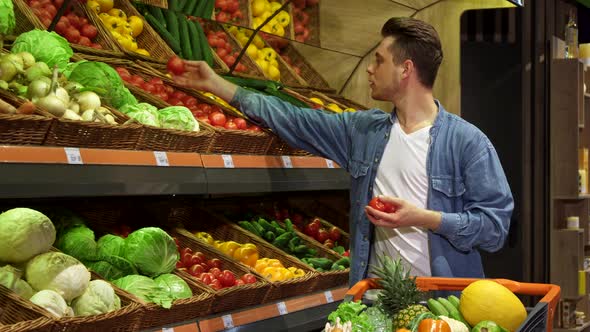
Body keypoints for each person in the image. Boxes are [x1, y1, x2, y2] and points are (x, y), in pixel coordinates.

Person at [173, 17, 514, 286]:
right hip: (375, 299)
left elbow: (495, 229)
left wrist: (424, 218)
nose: (369, 68)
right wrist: (219, 85)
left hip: (443, 302)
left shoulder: (468, 143)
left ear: (405, 69)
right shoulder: (363, 132)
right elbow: (294, 119)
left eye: (378, 60)